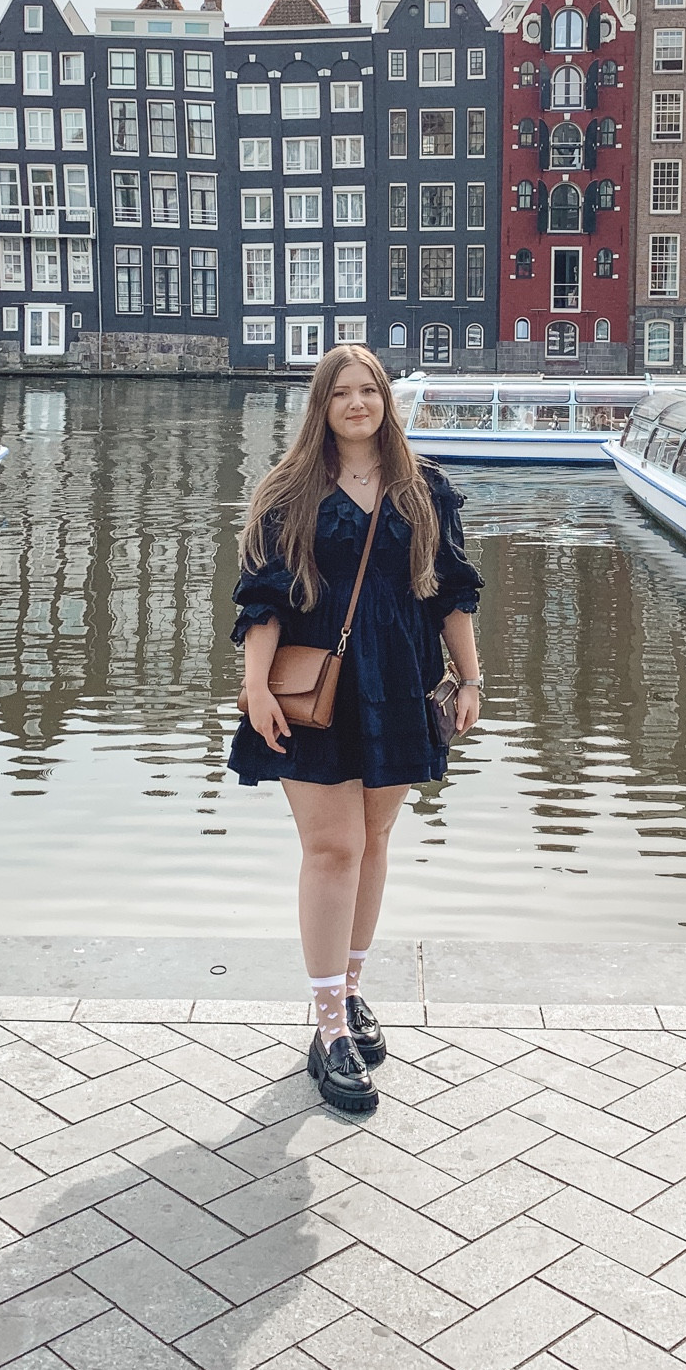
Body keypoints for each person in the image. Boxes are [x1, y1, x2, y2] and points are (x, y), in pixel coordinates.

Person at [230, 343, 483, 1114]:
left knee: (374, 844)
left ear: (385, 399)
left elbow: (451, 592)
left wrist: (470, 677)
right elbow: (263, 601)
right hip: (319, 688)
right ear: (322, 405)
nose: (357, 404)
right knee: (331, 849)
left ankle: (351, 988)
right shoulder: (290, 491)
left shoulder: (424, 488)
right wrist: (253, 687)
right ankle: (328, 1028)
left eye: (367, 389)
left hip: (400, 681)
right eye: (340, 393)